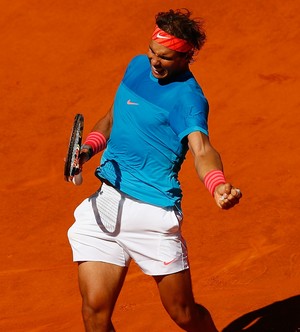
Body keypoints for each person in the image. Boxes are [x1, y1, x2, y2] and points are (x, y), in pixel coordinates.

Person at [67, 8, 242, 332]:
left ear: (186, 56)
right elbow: (113, 117)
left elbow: (201, 149)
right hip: (105, 204)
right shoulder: (136, 68)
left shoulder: (188, 98)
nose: (155, 61)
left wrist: (217, 185)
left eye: (165, 57)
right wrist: (89, 148)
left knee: (183, 313)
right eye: (152, 51)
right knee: (94, 311)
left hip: (151, 214)